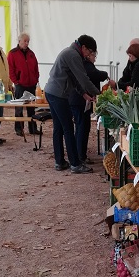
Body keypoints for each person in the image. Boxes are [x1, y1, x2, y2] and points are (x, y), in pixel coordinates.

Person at [44, 35, 101, 174]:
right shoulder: (73, 55)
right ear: (83, 47)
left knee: (58, 127)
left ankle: (60, 161)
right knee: (68, 128)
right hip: (58, 94)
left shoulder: (70, 53)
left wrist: (84, 94)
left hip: (51, 91)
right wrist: (99, 94)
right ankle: (75, 164)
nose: (89, 55)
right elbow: (83, 78)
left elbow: (74, 79)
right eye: (90, 52)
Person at [69, 49, 111, 165]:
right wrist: (106, 76)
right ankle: (80, 155)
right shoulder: (87, 65)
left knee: (81, 127)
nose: (94, 58)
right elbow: (96, 74)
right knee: (82, 127)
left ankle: (80, 154)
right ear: (89, 55)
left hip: (79, 100)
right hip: (79, 100)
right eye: (93, 56)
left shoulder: (84, 64)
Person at [7, 33, 41, 136]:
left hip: (31, 84)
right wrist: (16, 81)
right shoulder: (12, 53)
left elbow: (36, 67)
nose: (26, 43)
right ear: (19, 41)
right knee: (19, 108)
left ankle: (33, 128)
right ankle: (19, 129)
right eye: (25, 41)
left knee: (31, 108)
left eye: (28, 41)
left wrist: (36, 78)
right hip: (20, 85)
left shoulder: (31, 53)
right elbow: (10, 69)